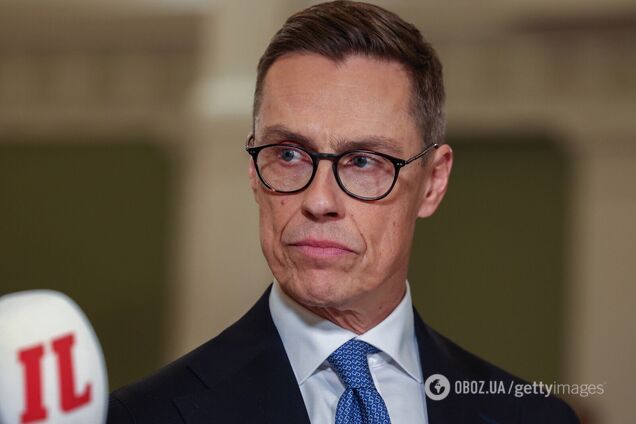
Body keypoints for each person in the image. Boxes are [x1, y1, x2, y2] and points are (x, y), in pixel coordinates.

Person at [107, 1, 579, 423]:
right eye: (289, 154)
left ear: (433, 182)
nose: (319, 201)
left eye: (364, 162)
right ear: (253, 170)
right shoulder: (142, 417)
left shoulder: (532, 417)